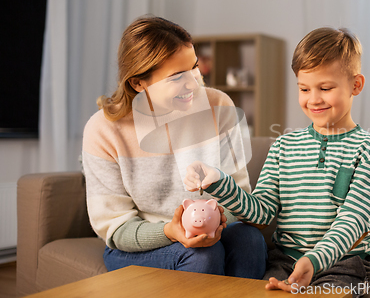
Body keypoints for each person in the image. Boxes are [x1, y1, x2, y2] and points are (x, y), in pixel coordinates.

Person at [184, 27, 370, 296]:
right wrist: (219, 182)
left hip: (342, 262)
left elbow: (354, 220)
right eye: (304, 88)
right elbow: (261, 212)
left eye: (325, 88)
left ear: (356, 85)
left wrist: (314, 260)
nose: (313, 99)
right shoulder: (283, 146)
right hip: (285, 261)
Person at [82, 15, 267, 278]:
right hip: (137, 245)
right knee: (202, 254)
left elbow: (239, 197)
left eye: (194, 68)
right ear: (138, 82)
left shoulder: (219, 107)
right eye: (177, 76)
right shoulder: (103, 129)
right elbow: (117, 229)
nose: (194, 83)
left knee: (249, 240)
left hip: (209, 226)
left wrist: (216, 221)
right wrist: (171, 230)